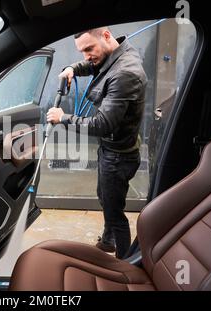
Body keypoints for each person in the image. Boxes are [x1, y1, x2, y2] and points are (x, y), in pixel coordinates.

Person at [47, 27, 147, 259]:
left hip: (119, 156)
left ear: (106, 35)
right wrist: (71, 68)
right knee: (105, 196)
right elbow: (92, 63)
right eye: (81, 51)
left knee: (115, 213)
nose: (86, 56)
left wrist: (63, 117)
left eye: (89, 49)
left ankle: (124, 264)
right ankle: (108, 240)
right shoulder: (117, 54)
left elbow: (102, 125)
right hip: (113, 149)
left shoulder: (125, 73)